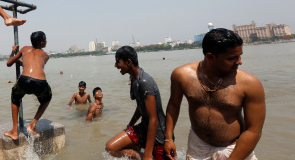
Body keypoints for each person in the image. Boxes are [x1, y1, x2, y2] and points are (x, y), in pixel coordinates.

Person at [164, 28, 265, 160]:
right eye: (232, 58)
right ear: (211, 57)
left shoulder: (250, 84)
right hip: (198, 146)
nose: (239, 61)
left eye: (240, 55)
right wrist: (168, 138)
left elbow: (253, 131)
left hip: (235, 148)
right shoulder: (181, 76)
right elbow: (173, 105)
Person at [105, 46, 168, 160]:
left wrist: (148, 155)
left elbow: (154, 118)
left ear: (128, 62)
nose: (115, 65)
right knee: (111, 148)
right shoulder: (134, 79)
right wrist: (130, 126)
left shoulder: (144, 81)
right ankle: (141, 156)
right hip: (144, 126)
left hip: (157, 132)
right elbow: (140, 107)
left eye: (117, 62)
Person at [4, 31, 51, 140]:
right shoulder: (46, 55)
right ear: (41, 42)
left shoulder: (25, 48)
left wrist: (13, 52)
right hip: (41, 82)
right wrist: (22, 62)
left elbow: (9, 63)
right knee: (47, 98)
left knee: (15, 97)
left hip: (25, 80)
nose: (46, 41)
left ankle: (15, 132)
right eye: (45, 40)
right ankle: (32, 125)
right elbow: (37, 66)